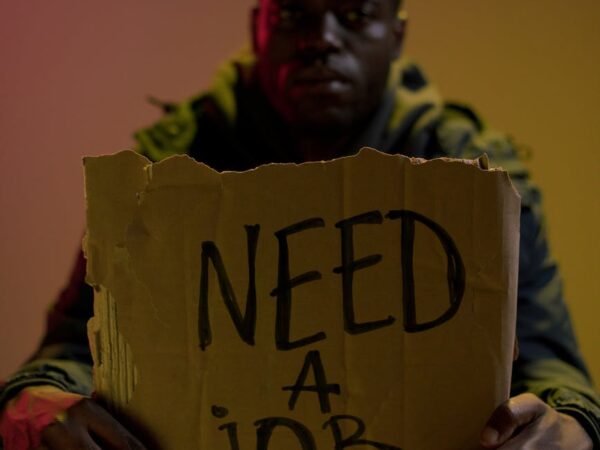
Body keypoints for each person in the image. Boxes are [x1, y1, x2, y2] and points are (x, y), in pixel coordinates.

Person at [1, 0, 599, 448]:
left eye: (355, 13)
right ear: (256, 25)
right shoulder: (168, 170)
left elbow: (549, 358)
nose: (321, 40)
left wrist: (568, 427)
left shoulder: (474, 174)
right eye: (293, 14)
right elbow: (75, 344)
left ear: (397, 33)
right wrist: (33, 403)